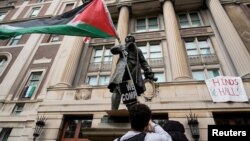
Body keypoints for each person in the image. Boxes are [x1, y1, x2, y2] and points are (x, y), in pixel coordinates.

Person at [108, 34, 155, 110]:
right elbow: (112, 50)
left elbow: (143, 61)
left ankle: (132, 112)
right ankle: (113, 111)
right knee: (117, 89)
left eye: (131, 37)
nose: (129, 38)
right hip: (122, 71)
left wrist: (148, 69)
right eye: (128, 37)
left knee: (130, 92)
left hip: (132, 72)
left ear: (134, 40)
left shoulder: (138, 50)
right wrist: (124, 47)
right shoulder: (122, 47)